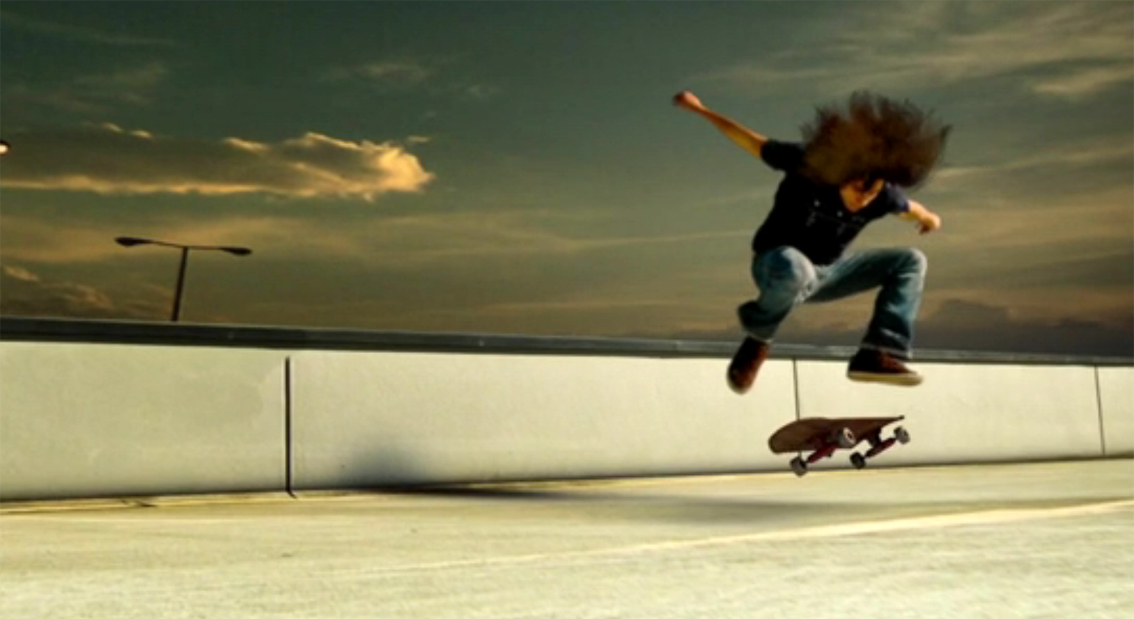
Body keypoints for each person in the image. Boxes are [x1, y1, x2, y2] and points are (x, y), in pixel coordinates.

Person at [673, 90, 950, 393]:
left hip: (828, 273)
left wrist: (930, 219)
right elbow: (750, 140)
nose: (862, 200)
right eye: (857, 189)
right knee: (797, 269)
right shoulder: (809, 163)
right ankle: (758, 339)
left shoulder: (884, 195)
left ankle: (876, 353)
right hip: (776, 264)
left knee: (911, 261)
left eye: (871, 194)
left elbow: (911, 209)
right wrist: (701, 110)